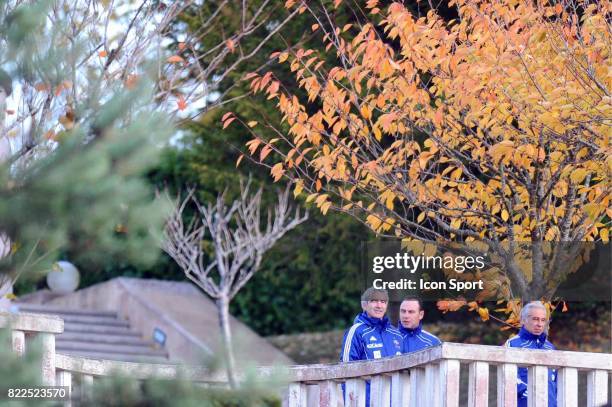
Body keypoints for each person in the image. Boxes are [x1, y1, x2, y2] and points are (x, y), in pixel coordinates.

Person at [340, 287, 403, 405]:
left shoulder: (396, 334)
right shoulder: (355, 332)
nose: (379, 305)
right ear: (364, 305)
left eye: (383, 302)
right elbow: (345, 371)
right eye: (374, 301)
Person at [505, 301, 557, 407]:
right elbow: (507, 375)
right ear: (523, 320)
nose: (539, 324)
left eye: (543, 320)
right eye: (535, 319)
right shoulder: (512, 344)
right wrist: (529, 393)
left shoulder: (550, 348)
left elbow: (556, 381)